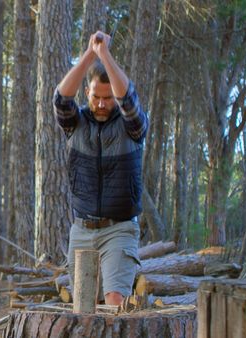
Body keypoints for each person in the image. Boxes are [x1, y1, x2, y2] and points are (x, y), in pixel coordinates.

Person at [53, 31, 148, 306]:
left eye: (108, 98)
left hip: (119, 229)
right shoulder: (75, 123)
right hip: (81, 229)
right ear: (87, 93)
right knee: (83, 307)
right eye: (96, 97)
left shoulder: (132, 127)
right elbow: (60, 99)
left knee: (115, 300)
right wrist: (89, 55)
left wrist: (105, 54)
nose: (102, 104)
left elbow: (128, 100)